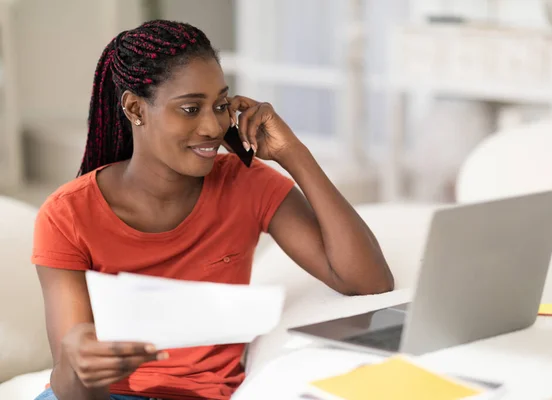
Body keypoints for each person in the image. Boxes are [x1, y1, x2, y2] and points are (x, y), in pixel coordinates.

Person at [32, 20, 394, 400]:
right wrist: (82, 366)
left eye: (221, 105)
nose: (213, 126)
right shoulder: (67, 215)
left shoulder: (247, 183)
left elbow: (368, 282)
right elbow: (69, 387)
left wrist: (294, 155)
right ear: (135, 108)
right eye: (190, 109)